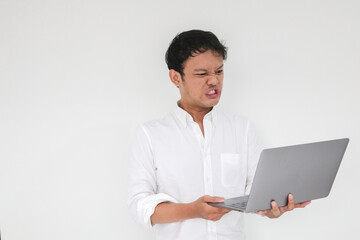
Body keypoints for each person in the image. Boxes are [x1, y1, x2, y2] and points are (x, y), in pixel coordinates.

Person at [127, 30, 311, 240]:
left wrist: (271, 208)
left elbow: (256, 193)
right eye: (202, 74)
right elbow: (139, 205)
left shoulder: (242, 129)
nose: (214, 81)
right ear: (176, 77)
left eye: (219, 71)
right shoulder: (150, 134)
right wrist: (193, 210)